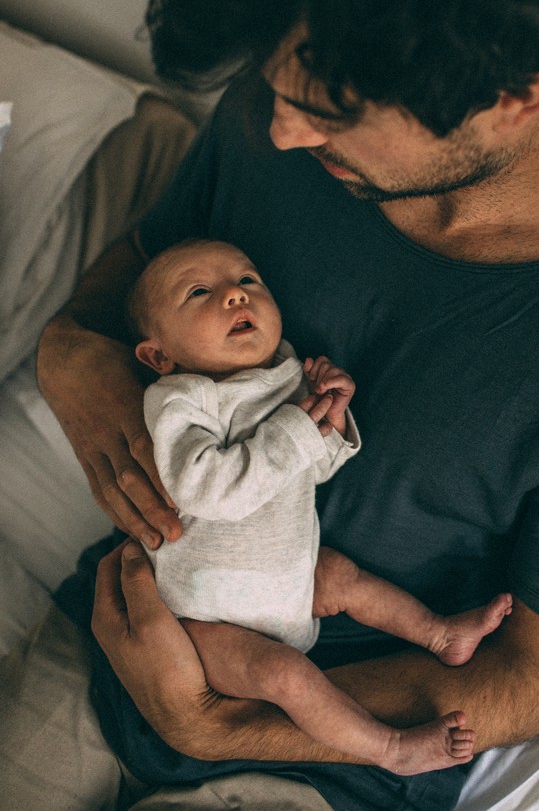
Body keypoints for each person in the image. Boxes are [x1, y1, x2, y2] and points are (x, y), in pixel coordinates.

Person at [4, 0, 539, 809]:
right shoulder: (286, 94)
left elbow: (528, 679)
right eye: (273, 94)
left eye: (323, 116)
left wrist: (216, 716)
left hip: (325, 757)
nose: (277, 135)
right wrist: (69, 350)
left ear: (513, 96)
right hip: (114, 630)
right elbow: (142, 262)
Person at [124, 236, 511, 775]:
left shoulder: (287, 375)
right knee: (287, 677)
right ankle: (391, 750)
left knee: (342, 577)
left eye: (247, 280)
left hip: (291, 581)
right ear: (159, 354)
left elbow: (308, 471)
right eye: (199, 291)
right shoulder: (183, 398)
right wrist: (297, 428)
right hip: (209, 615)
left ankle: (439, 633)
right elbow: (203, 488)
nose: (235, 296)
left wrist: (329, 417)